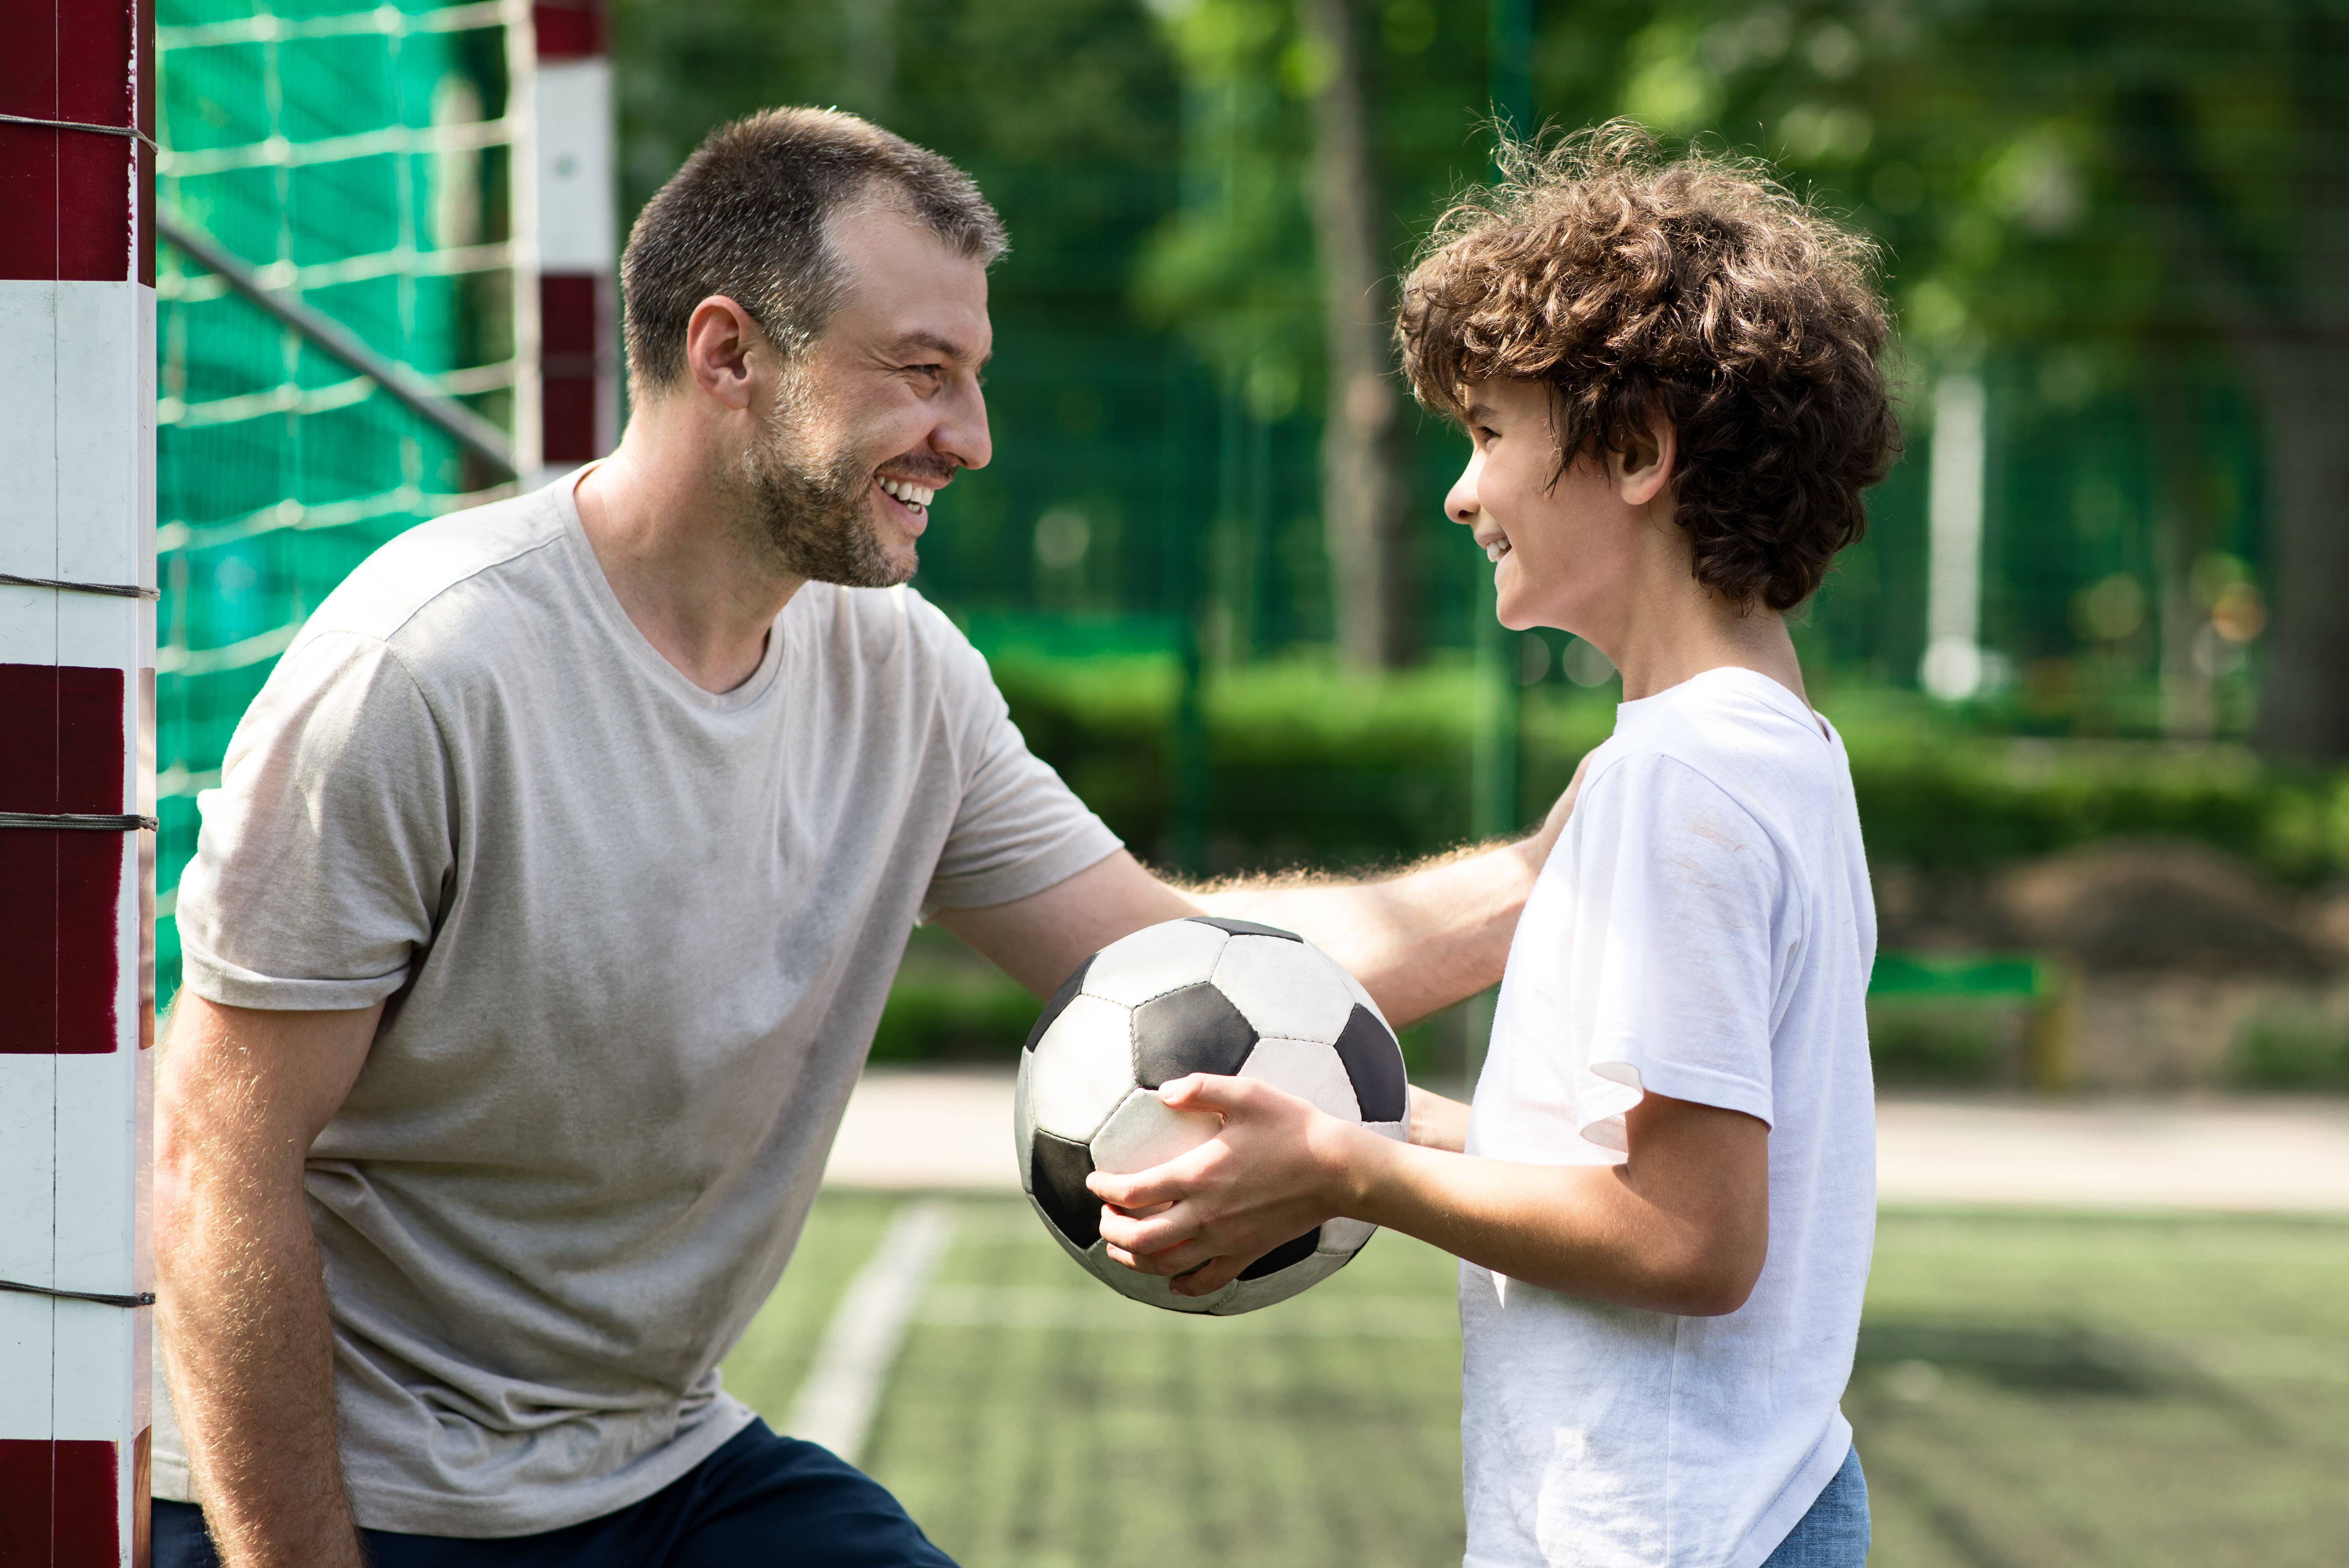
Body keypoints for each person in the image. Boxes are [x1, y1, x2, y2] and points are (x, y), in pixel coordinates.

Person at [150, 107, 1569, 1568]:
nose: (973, 437)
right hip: (358, 1497)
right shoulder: (421, 670)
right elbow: (212, 1164)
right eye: (921, 372)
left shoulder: (901, 674)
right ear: (729, 356)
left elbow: (1189, 967)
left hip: (658, 1464)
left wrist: (1558, 881)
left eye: (974, 377)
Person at [1088, 123, 1898, 1568]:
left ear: (1636, 451)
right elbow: (1609, 1166)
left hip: (1676, 1538)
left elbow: (1691, 1242)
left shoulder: (1681, 779)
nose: (1463, 494)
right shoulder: (1776, 748)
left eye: (1489, 434)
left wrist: (1351, 1178)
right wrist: (1356, 1122)